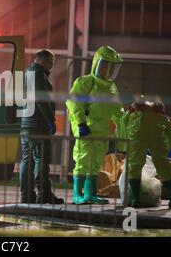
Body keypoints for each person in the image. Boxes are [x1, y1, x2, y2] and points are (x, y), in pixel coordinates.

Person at [66, 46, 123, 205]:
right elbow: (73, 102)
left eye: (112, 66)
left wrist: (125, 122)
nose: (108, 69)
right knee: (83, 162)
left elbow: (117, 111)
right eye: (105, 65)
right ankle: (77, 195)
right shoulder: (85, 82)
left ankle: (90, 194)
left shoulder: (111, 88)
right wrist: (81, 123)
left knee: (95, 164)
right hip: (86, 131)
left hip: (102, 133)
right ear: (97, 63)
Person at [20, 49, 64, 204]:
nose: (51, 67)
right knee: (41, 160)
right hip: (38, 123)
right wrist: (50, 119)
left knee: (27, 159)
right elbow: (41, 100)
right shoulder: (38, 75)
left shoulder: (27, 73)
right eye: (50, 63)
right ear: (43, 60)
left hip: (26, 122)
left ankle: (26, 195)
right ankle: (43, 194)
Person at [120, 100, 171, 209]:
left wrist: (124, 145)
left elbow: (123, 124)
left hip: (137, 133)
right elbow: (170, 132)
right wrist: (166, 148)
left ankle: (135, 199)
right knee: (163, 165)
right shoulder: (157, 111)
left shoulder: (134, 110)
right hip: (155, 131)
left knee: (135, 166)